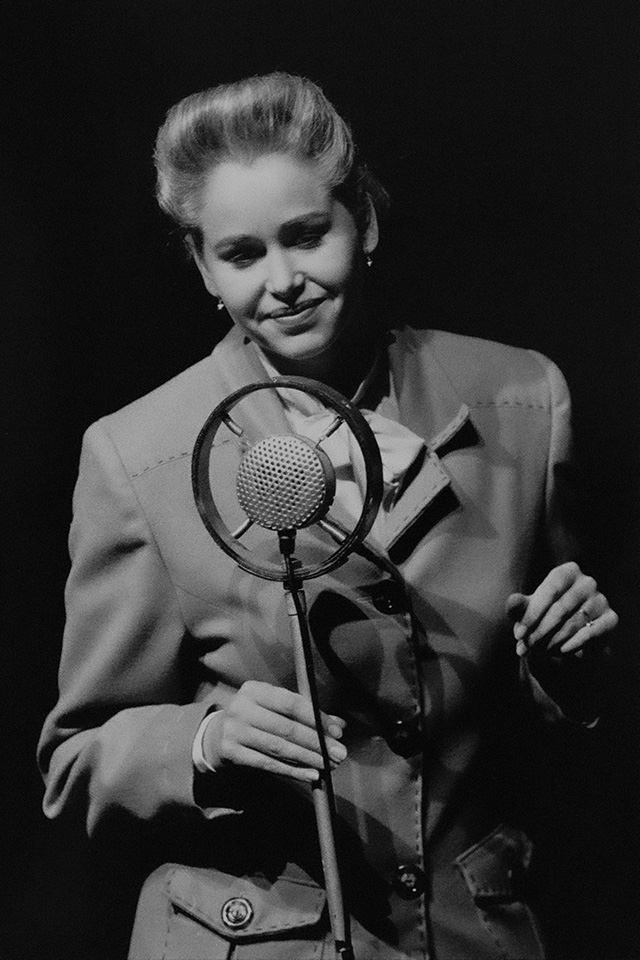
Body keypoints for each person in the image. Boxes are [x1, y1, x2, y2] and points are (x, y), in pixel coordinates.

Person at [38, 72, 618, 960]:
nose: (283, 282)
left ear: (367, 223)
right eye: (241, 255)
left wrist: (569, 674)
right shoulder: (139, 456)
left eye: (307, 235)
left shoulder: (522, 404)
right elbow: (74, 764)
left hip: (476, 934)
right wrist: (204, 741)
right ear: (202, 267)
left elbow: (566, 734)